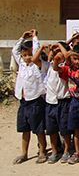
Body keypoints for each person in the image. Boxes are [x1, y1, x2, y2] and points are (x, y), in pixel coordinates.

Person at [12, 29, 47, 165]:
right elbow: (15, 50)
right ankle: (24, 153)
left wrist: (35, 38)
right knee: (24, 129)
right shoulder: (21, 64)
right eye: (25, 55)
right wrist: (22, 37)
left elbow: (36, 50)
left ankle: (42, 151)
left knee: (38, 129)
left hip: (35, 102)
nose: (27, 57)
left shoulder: (37, 66)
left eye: (30, 54)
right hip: (23, 101)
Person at [40, 44, 71, 164]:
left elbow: (64, 58)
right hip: (50, 102)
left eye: (60, 51)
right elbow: (52, 63)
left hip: (62, 102)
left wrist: (59, 46)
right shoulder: (47, 65)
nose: (57, 54)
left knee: (64, 129)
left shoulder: (66, 66)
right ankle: (54, 151)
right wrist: (52, 51)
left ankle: (66, 151)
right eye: (55, 52)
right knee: (52, 129)